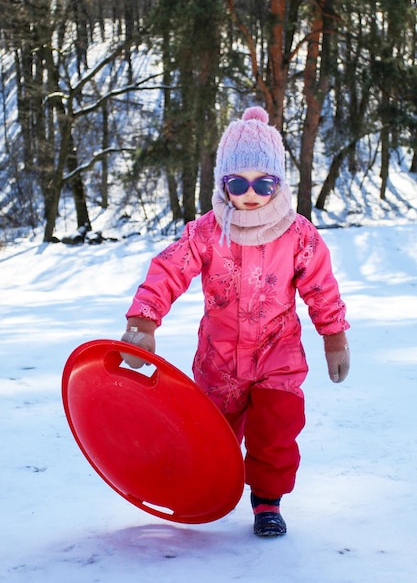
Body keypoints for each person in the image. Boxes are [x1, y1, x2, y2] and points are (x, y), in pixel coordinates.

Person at [121, 106, 350, 537]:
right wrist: (143, 321)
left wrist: (334, 337)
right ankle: (205, 487)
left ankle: (267, 501)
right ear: (222, 183)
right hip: (219, 362)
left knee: (275, 436)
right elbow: (168, 271)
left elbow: (321, 288)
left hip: (278, 359)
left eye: (264, 182)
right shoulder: (207, 232)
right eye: (237, 182)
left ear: (278, 182)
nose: (250, 193)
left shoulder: (298, 234)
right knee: (210, 437)